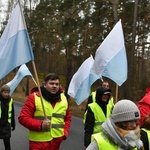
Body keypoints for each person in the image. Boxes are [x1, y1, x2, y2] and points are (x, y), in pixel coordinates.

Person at [18, 73, 71, 150]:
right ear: (44, 85)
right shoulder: (34, 97)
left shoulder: (64, 99)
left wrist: (64, 133)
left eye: (57, 84)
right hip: (38, 143)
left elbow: (67, 118)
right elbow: (23, 118)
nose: (54, 86)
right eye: (51, 83)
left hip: (56, 143)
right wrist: (40, 125)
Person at [0, 84, 15, 150]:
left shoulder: (10, 100)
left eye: (8, 93)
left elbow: (12, 113)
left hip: (6, 125)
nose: (6, 94)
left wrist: (13, 124)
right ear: (1, 92)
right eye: (5, 92)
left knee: (7, 144)